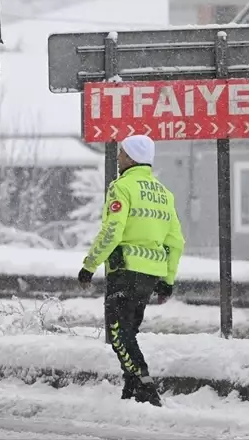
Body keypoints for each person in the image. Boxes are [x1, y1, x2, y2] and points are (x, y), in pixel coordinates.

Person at [77, 134, 185, 407]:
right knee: (129, 332)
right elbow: (176, 241)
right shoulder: (164, 193)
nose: (119, 158)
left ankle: (145, 385)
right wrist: (167, 280)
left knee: (119, 335)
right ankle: (131, 392)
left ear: (132, 157)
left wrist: (89, 265)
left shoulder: (122, 187)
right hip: (150, 276)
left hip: (124, 272)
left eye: (122, 154)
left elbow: (112, 231)